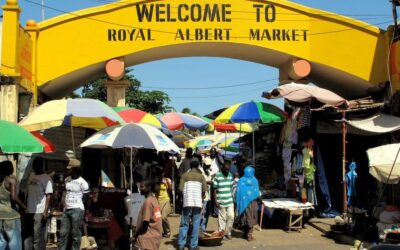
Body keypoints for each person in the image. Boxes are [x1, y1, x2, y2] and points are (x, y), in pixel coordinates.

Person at [58, 159, 89, 250]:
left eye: (70, 169)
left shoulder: (83, 183)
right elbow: (65, 193)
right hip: (66, 209)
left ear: (75, 169)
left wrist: (81, 209)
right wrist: (63, 202)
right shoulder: (66, 180)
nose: (68, 171)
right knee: (63, 233)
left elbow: (86, 198)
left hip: (77, 210)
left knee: (75, 234)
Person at [178, 160, 207, 250]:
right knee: (196, 224)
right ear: (198, 166)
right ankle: (193, 245)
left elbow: (180, 189)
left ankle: (181, 245)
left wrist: (184, 196)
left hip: (187, 202)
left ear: (190, 166)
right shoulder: (201, 176)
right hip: (197, 203)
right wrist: (201, 198)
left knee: (184, 224)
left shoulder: (184, 176)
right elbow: (204, 190)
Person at [25, 157, 53, 250]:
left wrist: (45, 211)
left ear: (41, 166)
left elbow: (49, 195)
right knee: (28, 235)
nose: (35, 166)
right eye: (34, 164)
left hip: (39, 211)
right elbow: (28, 193)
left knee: (37, 236)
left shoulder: (46, 178)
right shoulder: (31, 175)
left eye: (38, 164)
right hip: (29, 210)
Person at [0, 161, 26, 250]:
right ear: (11, 169)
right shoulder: (11, 180)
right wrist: (24, 206)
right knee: (14, 242)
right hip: (11, 215)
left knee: (2, 242)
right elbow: (14, 197)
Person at [133, 180, 162, 250]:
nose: (139, 188)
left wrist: (135, 235)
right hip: (155, 235)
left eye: (142, 187)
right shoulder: (154, 199)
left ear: (149, 188)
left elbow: (145, 222)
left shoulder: (148, 202)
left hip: (147, 237)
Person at [235, 166, 260, 241]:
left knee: (244, 218)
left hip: (243, 203)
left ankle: (245, 233)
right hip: (252, 203)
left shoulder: (241, 180)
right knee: (251, 218)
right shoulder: (254, 180)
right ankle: (249, 235)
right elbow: (256, 192)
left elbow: (238, 193)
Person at [213, 161, 234, 240]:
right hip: (221, 200)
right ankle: (222, 233)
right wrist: (215, 200)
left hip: (229, 200)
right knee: (222, 218)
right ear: (222, 168)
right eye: (226, 170)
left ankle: (228, 232)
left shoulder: (230, 175)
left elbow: (231, 188)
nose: (227, 171)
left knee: (231, 216)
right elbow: (214, 189)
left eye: (228, 170)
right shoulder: (217, 176)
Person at [156, 171, 172, 238]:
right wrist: (159, 183)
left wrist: (167, 183)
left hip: (165, 200)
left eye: (162, 174)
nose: (162, 175)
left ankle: (167, 231)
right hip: (158, 200)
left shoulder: (168, 180)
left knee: (164, 216)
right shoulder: (156, 181)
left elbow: (170, 189)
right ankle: (160, 232)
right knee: (158, 217)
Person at [200, 157, 213, 233]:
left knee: (206, 214)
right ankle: (199, 230)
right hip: (203, 196)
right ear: (203, 164)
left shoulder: (208, 172)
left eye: (209, 166)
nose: (208, 167)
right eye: (207, 165)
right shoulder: (201, 172)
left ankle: (203, 229)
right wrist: (208, 182)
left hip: (208, 196)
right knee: (202, 214)